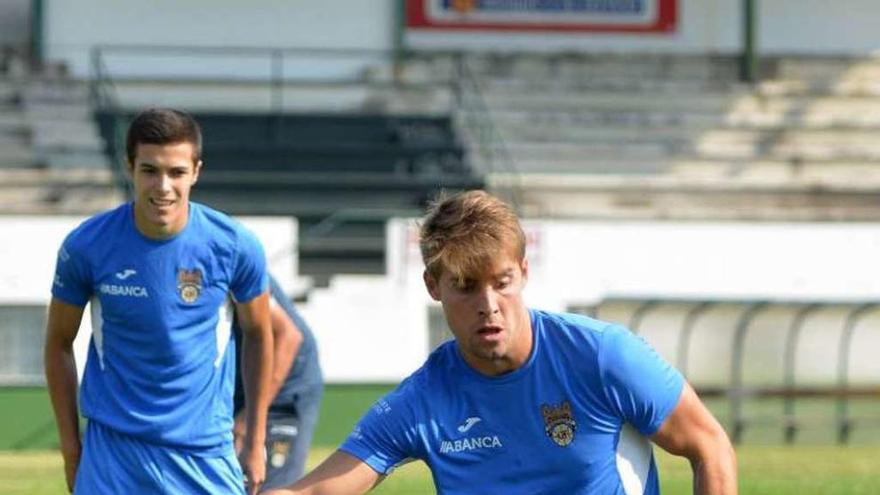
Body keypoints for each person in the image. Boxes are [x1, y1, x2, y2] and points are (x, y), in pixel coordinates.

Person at [266, 190, 737, 495]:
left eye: (502, 282)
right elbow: (315, 491)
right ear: (434, 287)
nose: (488, 304)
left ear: (524, 273)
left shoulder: (602, 356)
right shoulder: (423, 401)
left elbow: (710, 446)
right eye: (466, 286)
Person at [44, 108, 274, 494]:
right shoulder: (86, 245)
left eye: (177, 172)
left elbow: (260, 335)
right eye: (150, 170)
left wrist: (254, 440)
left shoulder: (234, 245)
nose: (163, 186)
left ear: (196, 172)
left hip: (204, 454)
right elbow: (57, 344)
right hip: (112, 456)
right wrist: (72, 449)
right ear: (130, 167)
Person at [232, 275, 323, 491]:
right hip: (240, 383)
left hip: (284, 385)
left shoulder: (230, 261)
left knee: (270, 488)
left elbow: (289, 337)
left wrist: (249, 419)